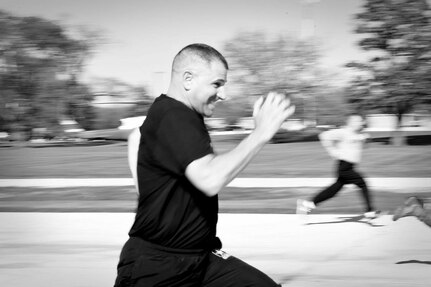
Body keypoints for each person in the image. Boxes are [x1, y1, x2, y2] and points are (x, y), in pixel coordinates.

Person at [114, 43, 295, 287]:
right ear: (188, 79)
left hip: (201, 259)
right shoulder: (174, 115)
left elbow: (137, 138)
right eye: (217, 83)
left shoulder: (176, 114)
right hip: (159, 267)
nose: (223, 94)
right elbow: (210, 179)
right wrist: (260, 134)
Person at [296, 114, 379, 219]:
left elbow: (363, 145)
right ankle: (369, 211)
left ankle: (307, 205)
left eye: (361, 121)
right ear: (351, 122)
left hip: (349, 167)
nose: (361, 123)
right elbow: (324, 136)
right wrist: (333, 151)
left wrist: (366, 139)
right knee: (362, 183)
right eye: (359, 121)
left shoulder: (357, 134)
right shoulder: (343, 132)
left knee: (333, 190)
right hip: (344, 167)